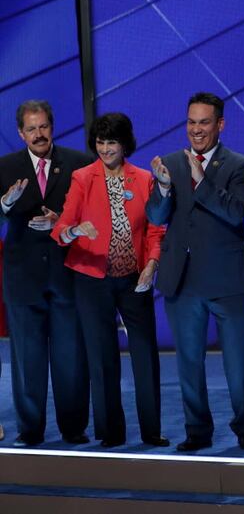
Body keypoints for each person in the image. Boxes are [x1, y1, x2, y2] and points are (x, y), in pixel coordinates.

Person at [146, 92, 244, 452]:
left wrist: (201, 180)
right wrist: (163, 187)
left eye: (204, 122)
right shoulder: (168, 163)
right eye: (192, 122)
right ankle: (197, 431)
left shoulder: (239, 164)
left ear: (220, 125)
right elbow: (155, 217)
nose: (197, 130)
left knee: (238, 364)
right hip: (183, 280)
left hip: (226, 280)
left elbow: (235, 212)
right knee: (189, 363)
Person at [51, 112, 167, 448]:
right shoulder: (82, 178)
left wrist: (152, 265)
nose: (105, 149)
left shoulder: (144, 179)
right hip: (91, 278)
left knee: (145, 353)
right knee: (101, 356)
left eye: (111, 142)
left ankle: (151, 430)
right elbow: (60, 231)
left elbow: (155, 230)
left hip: (135, 279)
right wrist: (75, 231)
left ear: (125, 143)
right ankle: (110, 432)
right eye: (100, 142)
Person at [0, 100, 90, 447]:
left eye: (44, 127)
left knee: (70, 357)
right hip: (23, 280)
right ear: (21, 133)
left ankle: (73, 428)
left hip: (66, 275)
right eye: (32, 128)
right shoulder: (5, 168)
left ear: (52, 127)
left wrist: (61, 222)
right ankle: (30, 429)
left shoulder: (79, 165)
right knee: (27, 358)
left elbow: (90, 217)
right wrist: (5, 205)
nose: (39, 134)